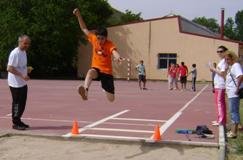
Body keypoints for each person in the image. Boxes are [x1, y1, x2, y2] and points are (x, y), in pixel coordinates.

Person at [73, 8, 123, 102]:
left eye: (102, 39)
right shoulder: (94, 39)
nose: (100, 41)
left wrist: (118, 57)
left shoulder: (109, 44)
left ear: (106, 38)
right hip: (96, 69)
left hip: (107, 73)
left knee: (111, 99)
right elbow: (84, 28)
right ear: (96, 37)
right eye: (99, 38)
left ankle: (104, 87)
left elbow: (114, 51)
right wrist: (78, 15)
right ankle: (85, 91)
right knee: (90, 72)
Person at [7, 35, 31, 130]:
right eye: (25, 43)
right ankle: (15, 123)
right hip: (15, 84)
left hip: (22, 83)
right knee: (17, 103)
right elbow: (9, 68)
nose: (27, 45)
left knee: (22, 103)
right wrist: (22, 75)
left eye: (28, 44)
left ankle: (19, 120)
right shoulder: (15, 53)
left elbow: (20, 66)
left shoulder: (23, 52)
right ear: (20, 42)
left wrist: (26, 69)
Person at [225, 51, 243, 138]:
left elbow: (240, 76)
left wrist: (237, 88)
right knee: (232, 112)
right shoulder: (232, 66)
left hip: (234, 92)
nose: (226, 61)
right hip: (231, 92)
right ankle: (233, 130)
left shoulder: (236, 65)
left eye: (228, 59)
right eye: (225, 59)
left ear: (232, 58)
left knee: (233, 112)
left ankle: (234, 132)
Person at [209, 45, 228, 126]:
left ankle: (221, 121)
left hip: (221, 85)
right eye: (218, 51)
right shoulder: (221, 61)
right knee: (218, 103)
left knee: (220, 103)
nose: (219, 53)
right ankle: (220, 119)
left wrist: (213, 69)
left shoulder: (224, 61)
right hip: (217, 85)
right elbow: (218, 72)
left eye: (221, 51)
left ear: (225, 52)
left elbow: (222, 73)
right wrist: (212, 69)